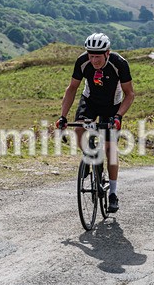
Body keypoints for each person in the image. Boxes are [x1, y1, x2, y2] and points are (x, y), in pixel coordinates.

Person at [56, 33, 135, 213]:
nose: (94, 60)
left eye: (97, 56)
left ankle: (113, 193)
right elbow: (72, 89)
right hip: (90, 101)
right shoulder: (82, 62)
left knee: (110, 149)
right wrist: (63, 116)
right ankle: (89, 158)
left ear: (107, 53)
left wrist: (119, 116)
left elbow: (130, 94)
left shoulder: (119, 64)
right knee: (78, 129)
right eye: (91, 56)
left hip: (112, 105)